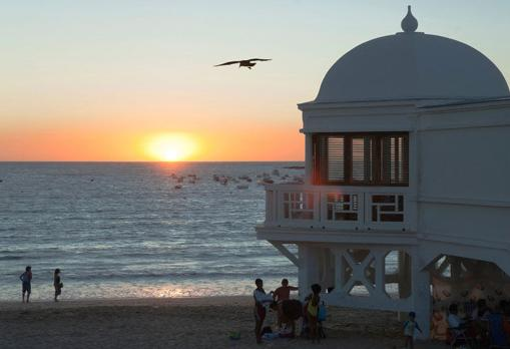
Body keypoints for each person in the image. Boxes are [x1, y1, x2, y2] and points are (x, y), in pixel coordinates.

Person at [253, 278, 273, 344]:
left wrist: (270, 294)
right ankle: (257, 339)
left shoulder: (262, 290)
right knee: (258, 325)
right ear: (256, 284)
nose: (261, 284)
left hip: (263, 309)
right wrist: (266, 300)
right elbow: (258, 301)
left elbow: (265, 297)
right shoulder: (255, 292)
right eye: (260, 283)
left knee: (261, 324)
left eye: (262, 283)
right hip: (258, 309)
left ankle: (259, 338)